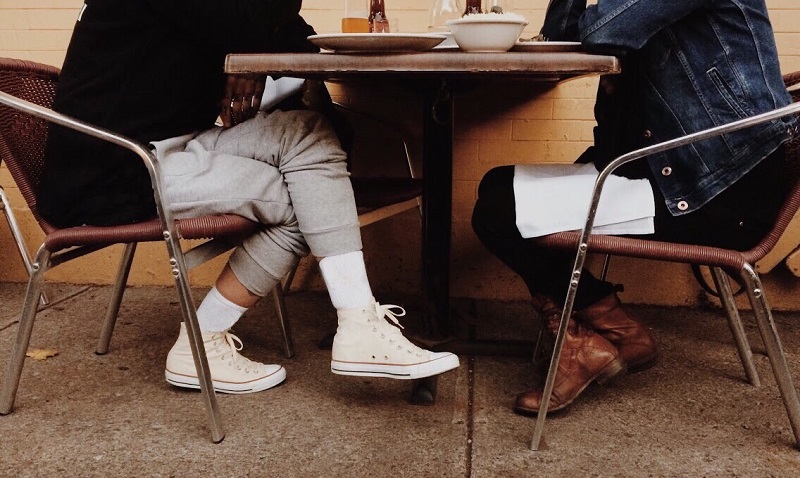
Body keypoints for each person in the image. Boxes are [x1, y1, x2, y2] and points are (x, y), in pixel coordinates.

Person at [39, 0, 459, 395]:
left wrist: (256, 51)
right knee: (309, 198)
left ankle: (358, 325)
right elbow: (254, 23)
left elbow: (287, 35)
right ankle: (201, 344)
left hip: (166, 147)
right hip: (115, 173)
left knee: (308, 134)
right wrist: (255, 43)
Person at [471, 0, 797, 415]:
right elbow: (563, 40)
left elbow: (602, 31)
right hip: (675, 170)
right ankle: (609, 335)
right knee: (499, 187)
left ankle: (595, 341)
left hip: (718, 189)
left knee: (501, 211)